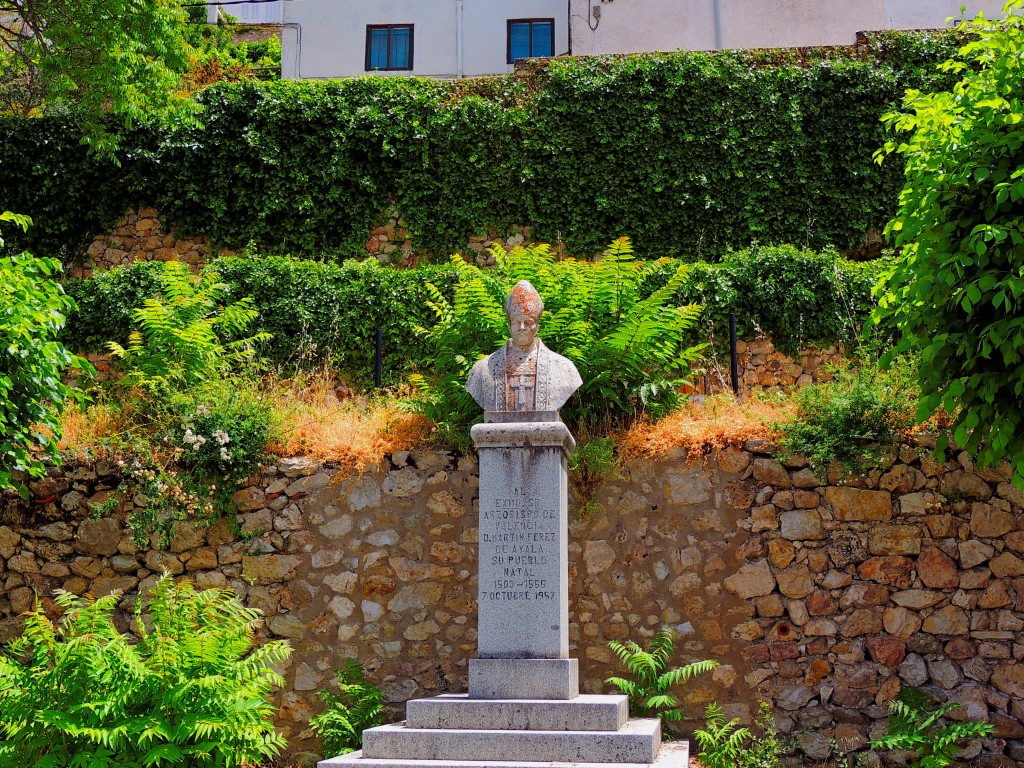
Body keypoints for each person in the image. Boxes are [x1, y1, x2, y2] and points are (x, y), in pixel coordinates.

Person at [465, 280, 582, 417]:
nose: (522, 327)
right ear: (509, 326)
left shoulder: (563, 368)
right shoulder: (482, 370)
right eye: (516, 322)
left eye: (528, 322)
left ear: (537, 327)